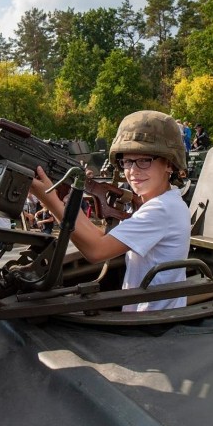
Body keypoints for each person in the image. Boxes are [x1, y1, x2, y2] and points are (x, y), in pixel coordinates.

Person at [29, 111, 190, 312]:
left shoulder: (162, 209)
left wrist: (48, 198)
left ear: (169, 163)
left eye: (144, 160)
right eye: (127, 161)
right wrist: (66, 204)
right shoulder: (162, 203)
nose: (133, 170)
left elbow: (97, 251)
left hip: (150, 326)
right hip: (148, 318)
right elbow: (101, 237)